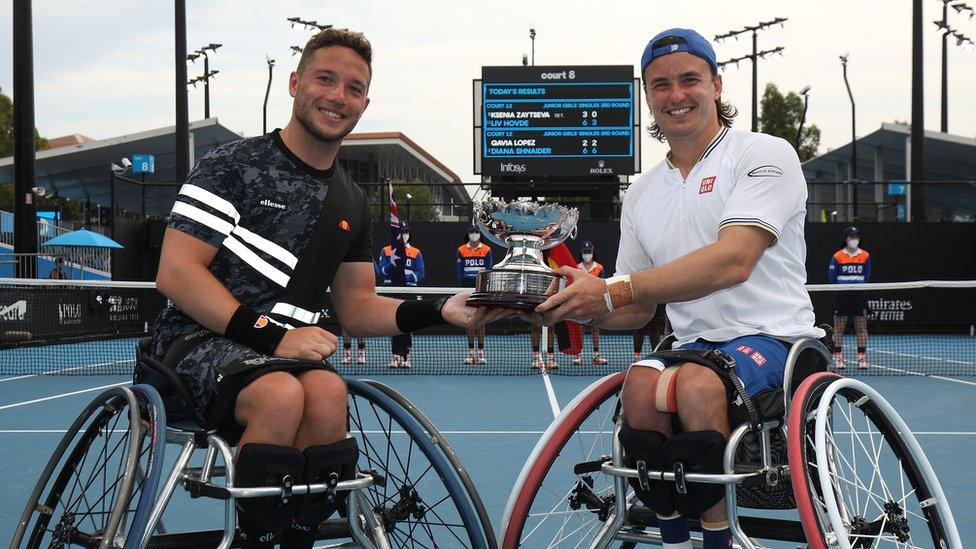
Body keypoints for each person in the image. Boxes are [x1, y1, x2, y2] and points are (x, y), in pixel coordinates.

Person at [149, 29, 507, 548]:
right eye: (326, 79)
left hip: (283, 355)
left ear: (365, 102)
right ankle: (256, 538)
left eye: (354, 87)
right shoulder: (230, 166)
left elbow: (358, 309)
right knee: (278, 395)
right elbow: (177, 273)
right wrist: (272, 337)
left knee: (326, 391)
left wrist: (440, 310)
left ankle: (295, 535)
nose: (338, 96)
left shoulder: (352, 202)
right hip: (190, 343)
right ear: (295, 84)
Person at [526, 28, 823, 549]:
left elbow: (734, 260)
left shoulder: (765, 154)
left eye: (689, 79)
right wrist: (573, 306)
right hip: (689, 350)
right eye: (660, 85)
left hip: (776, 342)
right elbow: (636, 310)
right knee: (639, 383)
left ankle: (715, 541)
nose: (676, 95)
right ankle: (672, 539)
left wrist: (612, 292)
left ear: (716, 85)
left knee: (695, 385)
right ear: (648, 95)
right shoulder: (642, 193)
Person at [376, 222, 426, 368]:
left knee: (407, 323)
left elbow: (421, 273)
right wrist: (393, 264)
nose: (404, 235)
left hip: (409, 291)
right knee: (393, 323)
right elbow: (382, 271)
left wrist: (406, 278)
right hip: (391, 289)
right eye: (401, 232)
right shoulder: (386, 250)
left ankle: (406, 356)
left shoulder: (416, 252)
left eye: (406, 233)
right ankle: (395, 356)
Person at [828, 225, 871, 370]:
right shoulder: (838, 256)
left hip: (859, 294)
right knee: (839, 328)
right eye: (852, 237)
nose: (855, 240)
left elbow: (867, 276)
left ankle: (861, 357)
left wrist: (859, 288)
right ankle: (839, 357)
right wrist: (841, 289)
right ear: (846, 239)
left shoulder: (865, 255)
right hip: (842, 294)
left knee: (861, 327)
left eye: (857, 237)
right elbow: (832, 277)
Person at [457, 226, 493, 364]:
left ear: (480, 234)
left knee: (481, 320)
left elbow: (488, 270)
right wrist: (464, 289)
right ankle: (471, 352)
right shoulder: (461, 250)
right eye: (471, 232)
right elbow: (460, 272)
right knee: (469, 320)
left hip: (481, 289)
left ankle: (481, 352)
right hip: (466, 289)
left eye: (476, 232)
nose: (474, 234)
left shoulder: (486, 250)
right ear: (468, 234)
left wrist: (482, 287)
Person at [573, 241, 608, 366]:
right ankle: (578, 355)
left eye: (589, 252)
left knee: (595, 328)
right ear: (581, 253)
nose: (587, 255)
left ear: (593, 253)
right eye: (585, 252)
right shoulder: (577, 268)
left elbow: (603, 284)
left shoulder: (599, 268)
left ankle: (596, 354)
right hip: (580, 303)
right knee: (580, 329)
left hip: (594, 303)